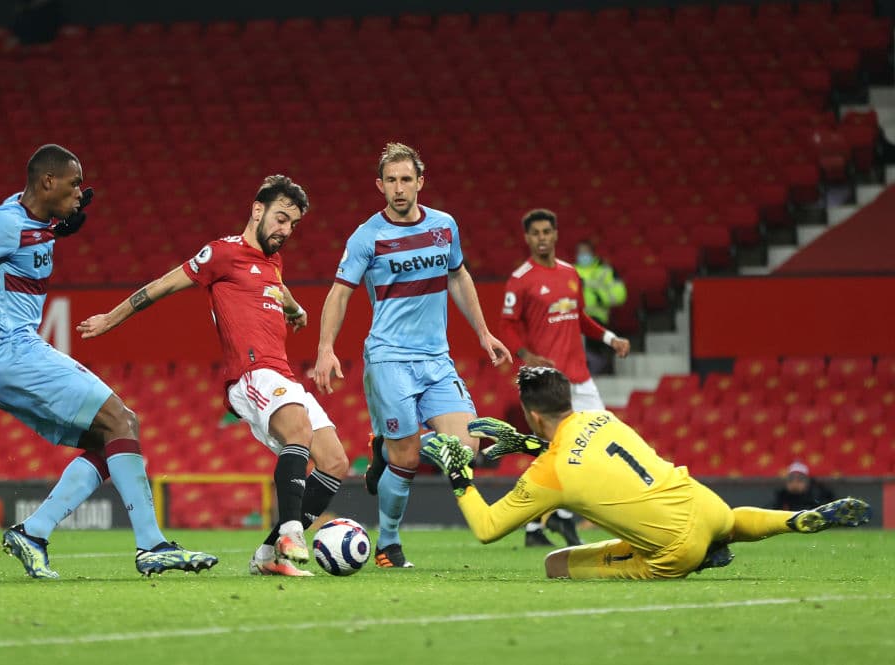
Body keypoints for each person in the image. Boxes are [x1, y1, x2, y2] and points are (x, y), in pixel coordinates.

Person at [0, 144, 218, 579]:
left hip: (6, 359)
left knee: (110, 439)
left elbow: (27, 234)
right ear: (47, 181)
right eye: (74, 182)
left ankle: (34, 533)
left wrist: (56, 227)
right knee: (123, 420)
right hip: (11, 351)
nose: (81, 191)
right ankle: (152, 546)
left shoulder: (29, 219)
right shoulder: (3, 222)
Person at [78, 175, 349, 577]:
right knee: (298, 429)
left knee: (336, 463)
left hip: (282, 373)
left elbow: (276, 288)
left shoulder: (274, 262)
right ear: (257, 210)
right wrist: (109, 320)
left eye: (292, 224)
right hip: (250, 373)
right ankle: (292, 531)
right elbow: (161, 286)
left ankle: (269, 556)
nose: (285, 230)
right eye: (279, 219)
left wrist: (295, 309)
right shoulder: (221, 253)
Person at [422, 366, 872, 580]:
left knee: (554, 565)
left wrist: (460, 475)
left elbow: (486, 528)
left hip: (672, 548)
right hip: (704, 503)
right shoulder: (605, 418)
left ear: (532, 415)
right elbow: (583, 456)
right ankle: (792, 521)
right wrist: (528, 445)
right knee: (731, 522)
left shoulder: (550, 473)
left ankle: (698, 558)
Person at [314, 142, 511, 569]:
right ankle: (387, 541)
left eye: (407, 180)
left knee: (466, 447)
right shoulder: (367, 236)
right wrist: (325, 347)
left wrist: (483, 332)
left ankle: (384, 449)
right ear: (380, 185)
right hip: (389, 359)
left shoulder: (444, 227)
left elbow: (458, 275)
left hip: (437, 360)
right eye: (391, 181)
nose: (399, 189)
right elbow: (339, 293)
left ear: (420, 182)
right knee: (407, 458)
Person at [502, 209, 631, 548]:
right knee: (551, 451)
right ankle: (537, 524)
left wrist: (610, 339)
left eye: (548, 231)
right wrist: (526, 356)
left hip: (581, 377)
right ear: (528, 238)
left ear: (556, 234)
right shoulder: (521, 279)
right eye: (536, 233)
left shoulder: (571, 273)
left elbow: (581, 318)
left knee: (601, 438)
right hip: (548, 380)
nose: (542, 237)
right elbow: (508, 325)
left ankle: (558, 515)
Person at [574, 239, 627, 376]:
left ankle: (597, 366)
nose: (583, 256)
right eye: (580, 253)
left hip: (597, 316)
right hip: (573, 317)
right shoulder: (570, 271)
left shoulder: (605, 271)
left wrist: (599, 297)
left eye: (585, 252)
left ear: (592, 253)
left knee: (592, 340)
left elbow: (620, 294)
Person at [771, 461, 836, 511]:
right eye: (791, 480)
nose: (795, 483)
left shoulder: (818, 494)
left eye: (800, 480)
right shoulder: (782, 496)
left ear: (807, 481)